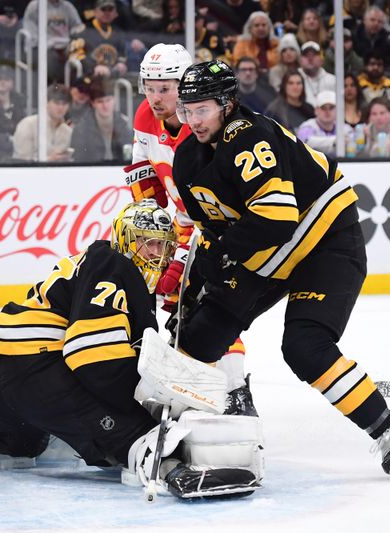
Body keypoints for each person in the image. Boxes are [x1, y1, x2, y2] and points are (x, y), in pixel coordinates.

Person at [0, 199, 264, 499]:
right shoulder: (115, 265)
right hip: (34, 374)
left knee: (24, 446)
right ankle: (170, 467)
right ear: (125, 239)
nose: (156, 255)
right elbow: (90, 356)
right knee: (137, 434)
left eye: (162, 247)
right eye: (147, 244)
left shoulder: (96, 265)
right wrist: (144, 411)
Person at [171, 59, 390, 480]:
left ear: (227, 103)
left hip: (324, 242)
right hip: (266, 254)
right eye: (186, 110)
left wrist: (222, 255)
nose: (192, 120)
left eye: (201, 109)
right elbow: (214, 230)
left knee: (305, 347)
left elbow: (276, 218)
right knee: (194, 338)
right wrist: (203, 275)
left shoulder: (251, 136)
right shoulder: (186, 159)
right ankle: (152, 430)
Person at [126, 43, 253, 406]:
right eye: (149, 87)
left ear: (184, 86)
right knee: (176, 306)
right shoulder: (144, 118)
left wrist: (183, 255)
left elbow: (211, 210)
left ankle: (236, 391)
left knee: (213, 307)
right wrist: (154, 231)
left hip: (219, 228)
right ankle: (187, 382)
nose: (155, 96)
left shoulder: (205, 129)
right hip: (183, 225)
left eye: (164, 87)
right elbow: (145, 178)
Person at [70, 76, 132, 163]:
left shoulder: (123, 124)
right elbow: (79, 160)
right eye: (100, 101)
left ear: (114, 100)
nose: (105, 106)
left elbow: (129, 155)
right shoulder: (81, 129)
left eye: (108, 100)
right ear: (93, 103)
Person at [12, 83, 73, 162]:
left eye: (64, 104)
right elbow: (20, 161)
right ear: (46, 102)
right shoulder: (28, 124)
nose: (60, 107)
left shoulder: (68, 131)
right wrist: (49, 160)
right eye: (56, 103)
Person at [68, 0, 128, 79]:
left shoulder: (118, 34)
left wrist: (121, 64)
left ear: (115, 13)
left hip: (112, 78)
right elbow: (75, 54)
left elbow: (122, 56)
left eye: (110, 9)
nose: (107, 13)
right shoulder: (83, 32)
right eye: (103, 9)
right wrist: (93, 67)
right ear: (95, 12)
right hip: (87, 78)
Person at [296, 90, 348, 157]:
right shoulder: (307, 126)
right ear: (316, 110)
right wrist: (334, 141)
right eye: (323, 108)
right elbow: (305, 141)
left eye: (331, 108)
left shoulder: (344, 128)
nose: (327, 111)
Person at [297, 41, 335, 108]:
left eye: (314, 55)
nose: (310, 58)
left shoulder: (333, 80)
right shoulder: (294, 79)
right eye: (306, 55)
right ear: (300, 60)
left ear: (322, 59)